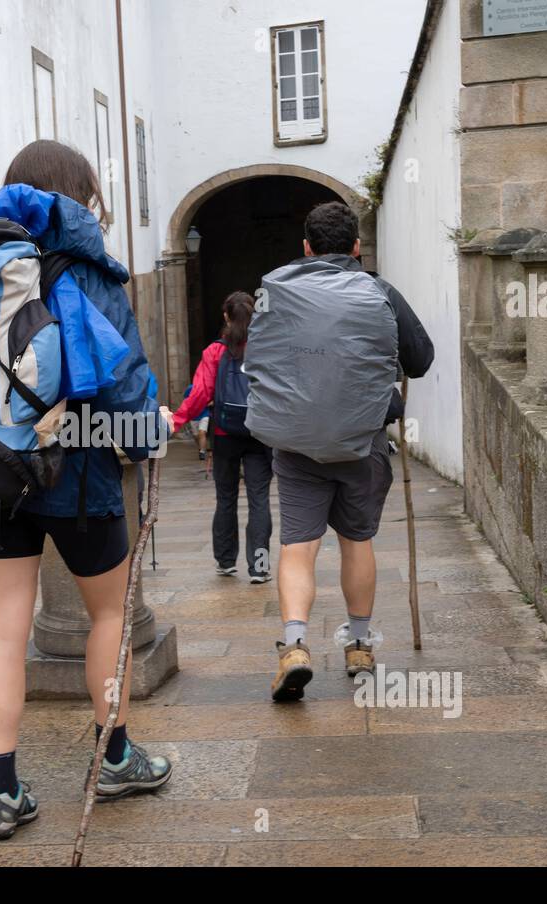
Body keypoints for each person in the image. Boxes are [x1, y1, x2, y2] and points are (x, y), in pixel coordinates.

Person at [0, 141, 172, 838]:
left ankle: (2, 792)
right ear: (77, 194)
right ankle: (114, 758)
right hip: (76, 475)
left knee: (4, 627)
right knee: (108, 618)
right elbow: (124, 381)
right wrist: (149, 435)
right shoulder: (87, 270)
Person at [264, 203, 433, 700]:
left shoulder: (277, 290)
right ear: (357, 248)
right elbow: (420, 360)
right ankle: (359, 643)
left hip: (296, 445)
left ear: (306, 248)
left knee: (298, 546)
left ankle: (294, 645)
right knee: (356, 540)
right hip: (363, 443)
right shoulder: (378, 291)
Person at [171, 291, 273, 583]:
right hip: (260, 432)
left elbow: (201, 393)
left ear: (226, 316)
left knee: (225, 498)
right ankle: (260, 567)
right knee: (259, 499)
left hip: (224, 432)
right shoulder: (265, 348)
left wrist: (176, 421)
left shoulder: (215, 351)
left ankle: (226, 561)